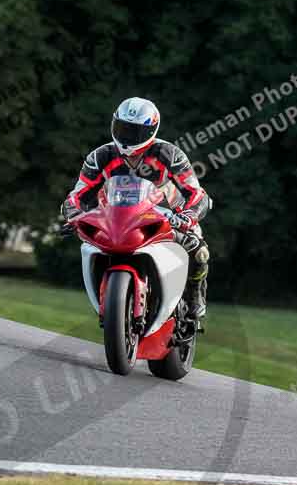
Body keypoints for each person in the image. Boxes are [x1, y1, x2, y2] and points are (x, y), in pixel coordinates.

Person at [62, 97, 211, 319]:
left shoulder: (170, 154)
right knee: (88, 245)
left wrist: (188, 215)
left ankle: (195, 295)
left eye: (135, 131)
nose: (127, 137)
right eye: (122, 128)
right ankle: (108, 298)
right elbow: (78, 194)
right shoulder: (100, 156)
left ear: (151, 130)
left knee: (199, 251)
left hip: (167, 217)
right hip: (117, 219)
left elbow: (196, 193)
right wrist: (74, 214)